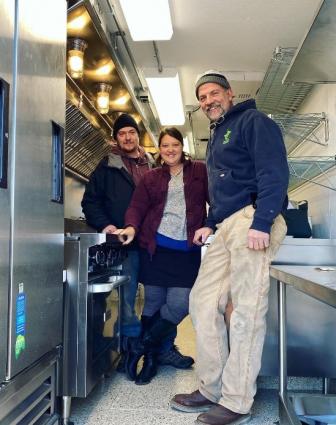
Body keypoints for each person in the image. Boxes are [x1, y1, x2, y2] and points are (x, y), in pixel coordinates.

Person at [170, 71, 289, 425]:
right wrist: (210, 221)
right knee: (202, 303)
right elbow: (223, 189)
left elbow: (274, 172)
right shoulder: (218, 134)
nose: (208, 101)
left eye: (213, 94)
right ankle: (212, 388)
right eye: (202, 98)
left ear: (229, 93)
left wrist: (262, 221)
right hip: (226, 225)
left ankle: (237, 400)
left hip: (253, 217)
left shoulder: (254, 121)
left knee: (246, 311)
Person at [81, 114, 192, 373]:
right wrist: (106, 226)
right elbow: (90, 202)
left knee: (161, 298)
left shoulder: (155, 164)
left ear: (138, 135)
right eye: (122, 133)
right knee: (128, 300)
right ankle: (130, 350)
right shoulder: (106, 166)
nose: (128, 137)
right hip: (125, 245)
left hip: (156, 243)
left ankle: (163, 348)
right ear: (116, 138)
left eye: (132, 132)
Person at [114, 127, 211, 385]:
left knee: (180, 303)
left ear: (182, 147)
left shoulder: (199, 171)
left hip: (186, 251)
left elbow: (217, 200)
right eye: (165, 145)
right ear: (160, 149)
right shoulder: (151, 177)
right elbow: (137, 206)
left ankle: (142, 346)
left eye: (175, 145)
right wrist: (132, 227)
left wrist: (211, 223)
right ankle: (155, 358)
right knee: (154, 303)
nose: (170, 150)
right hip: (155, 249)